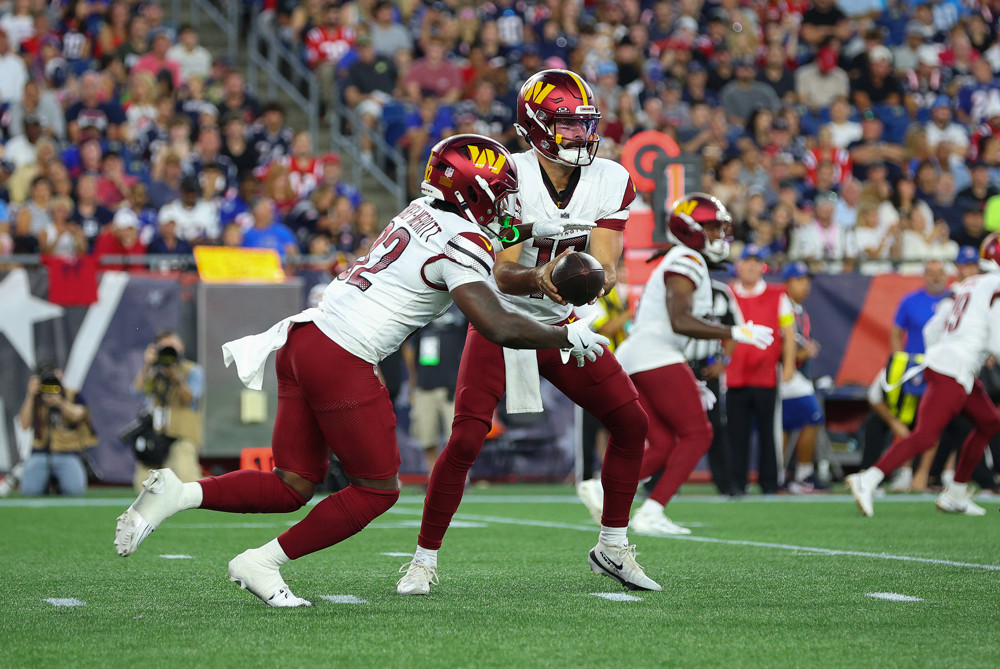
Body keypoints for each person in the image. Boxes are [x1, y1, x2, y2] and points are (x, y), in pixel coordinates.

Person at [113, 134, 614, 607]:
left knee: (293, 484)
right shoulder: (462, 243)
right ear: (475, 192)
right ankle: (261, 562)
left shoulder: (420, 210)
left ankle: (179, 493)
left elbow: (483, 228)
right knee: (377, 489)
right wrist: (563, 333)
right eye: (500, 191)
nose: (508, 200)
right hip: (343, 356)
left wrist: (543, 229)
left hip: (302, 338)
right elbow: (497, 324)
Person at [397, 70, 666, 597]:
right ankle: (423, 559)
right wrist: (541, 276)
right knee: (467, 438)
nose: (581, 137)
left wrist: (589, 280)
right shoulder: (505, 176)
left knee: (631, 421)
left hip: (563, 324)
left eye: (585, 125)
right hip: (502, 318)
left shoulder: (610, 179)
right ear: (537, 125)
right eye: (568, 125)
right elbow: (496, 268)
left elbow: (605, 263)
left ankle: (612, 545)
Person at [576, 194, 774, 535]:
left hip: (645, 355)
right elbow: (679, 320)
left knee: (665, 442)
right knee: (699, 433)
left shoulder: (683, 258)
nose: (719, 235)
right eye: (712, 227)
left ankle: (601, 488)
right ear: (692, 229)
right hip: (656, 354)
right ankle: (652, 512)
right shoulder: (687, 260)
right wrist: (735, 330)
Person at [846, 234, 1000, 517]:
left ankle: (955, 493)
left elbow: (932, 328)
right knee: (926, 436)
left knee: (989, 422)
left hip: (949, 366)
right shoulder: (994, 286)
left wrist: (939, 354)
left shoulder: (968, 284)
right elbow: (997, 340)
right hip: (954, 370)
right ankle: (868, 478)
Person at [727, 244, 796, 495]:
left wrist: (788, 364)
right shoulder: (727, 294)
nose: (752, 266)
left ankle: (769, 482)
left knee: (770, 432)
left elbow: (789, 333)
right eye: (748, 261)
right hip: (733, 374)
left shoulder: (778, 294)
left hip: (766, 374)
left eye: (757, 262)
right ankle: (737, 482)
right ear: (739, 266)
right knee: (736, 432)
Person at [129, 330, 204, 491]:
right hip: (157, 436)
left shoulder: (192, 370)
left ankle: (215, 486)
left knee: (187, 480)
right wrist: (147, 364)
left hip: (182, 435)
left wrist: (176, 377)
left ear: (181, 347)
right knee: (142, 485)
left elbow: (189, 399)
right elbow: (136, 391)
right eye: (164, 348)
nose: (168, 352)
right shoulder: (155, 372)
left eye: (172, 347)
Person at [401, 304, 468, 477]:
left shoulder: (462, 310)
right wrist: (413, 382)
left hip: (453, 387)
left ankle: (459, 477)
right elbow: (409, 348)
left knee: (455, 438)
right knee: (426, 436)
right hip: (425, 386)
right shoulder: (423, 312)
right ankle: (433, 476)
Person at [779, 262, 826, 493]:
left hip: (794, 374)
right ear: (787, 283)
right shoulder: (782, 305)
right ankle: (803, 474)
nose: (805, 285)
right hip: (783, 373)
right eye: (799, 280)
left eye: (807, 280)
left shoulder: (799, 309)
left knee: (785, 425)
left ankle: (782, 475)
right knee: (813, 415)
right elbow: (778, 344)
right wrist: (802, 353)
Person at [17, 367, 96, 496]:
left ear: (61, 376)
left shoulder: (72, 394)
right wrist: (30, 395)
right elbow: (24, 425)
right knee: (29, 491)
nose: (50, 386)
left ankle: (60, 484)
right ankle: (43, 483)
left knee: (75, 491)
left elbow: (78, 415)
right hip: (40, 453)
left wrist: (59, 402)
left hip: (67, 453)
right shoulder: (36, 397)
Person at [891, 260, 949, 355]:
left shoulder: (956, 300)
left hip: (944, 364)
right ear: (924, 276)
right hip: (916, 363)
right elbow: (896, 333)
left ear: (946, 275)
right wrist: (901, 358)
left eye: (940, 273)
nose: (936, 277)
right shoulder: (910, 301)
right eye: (931, 274)